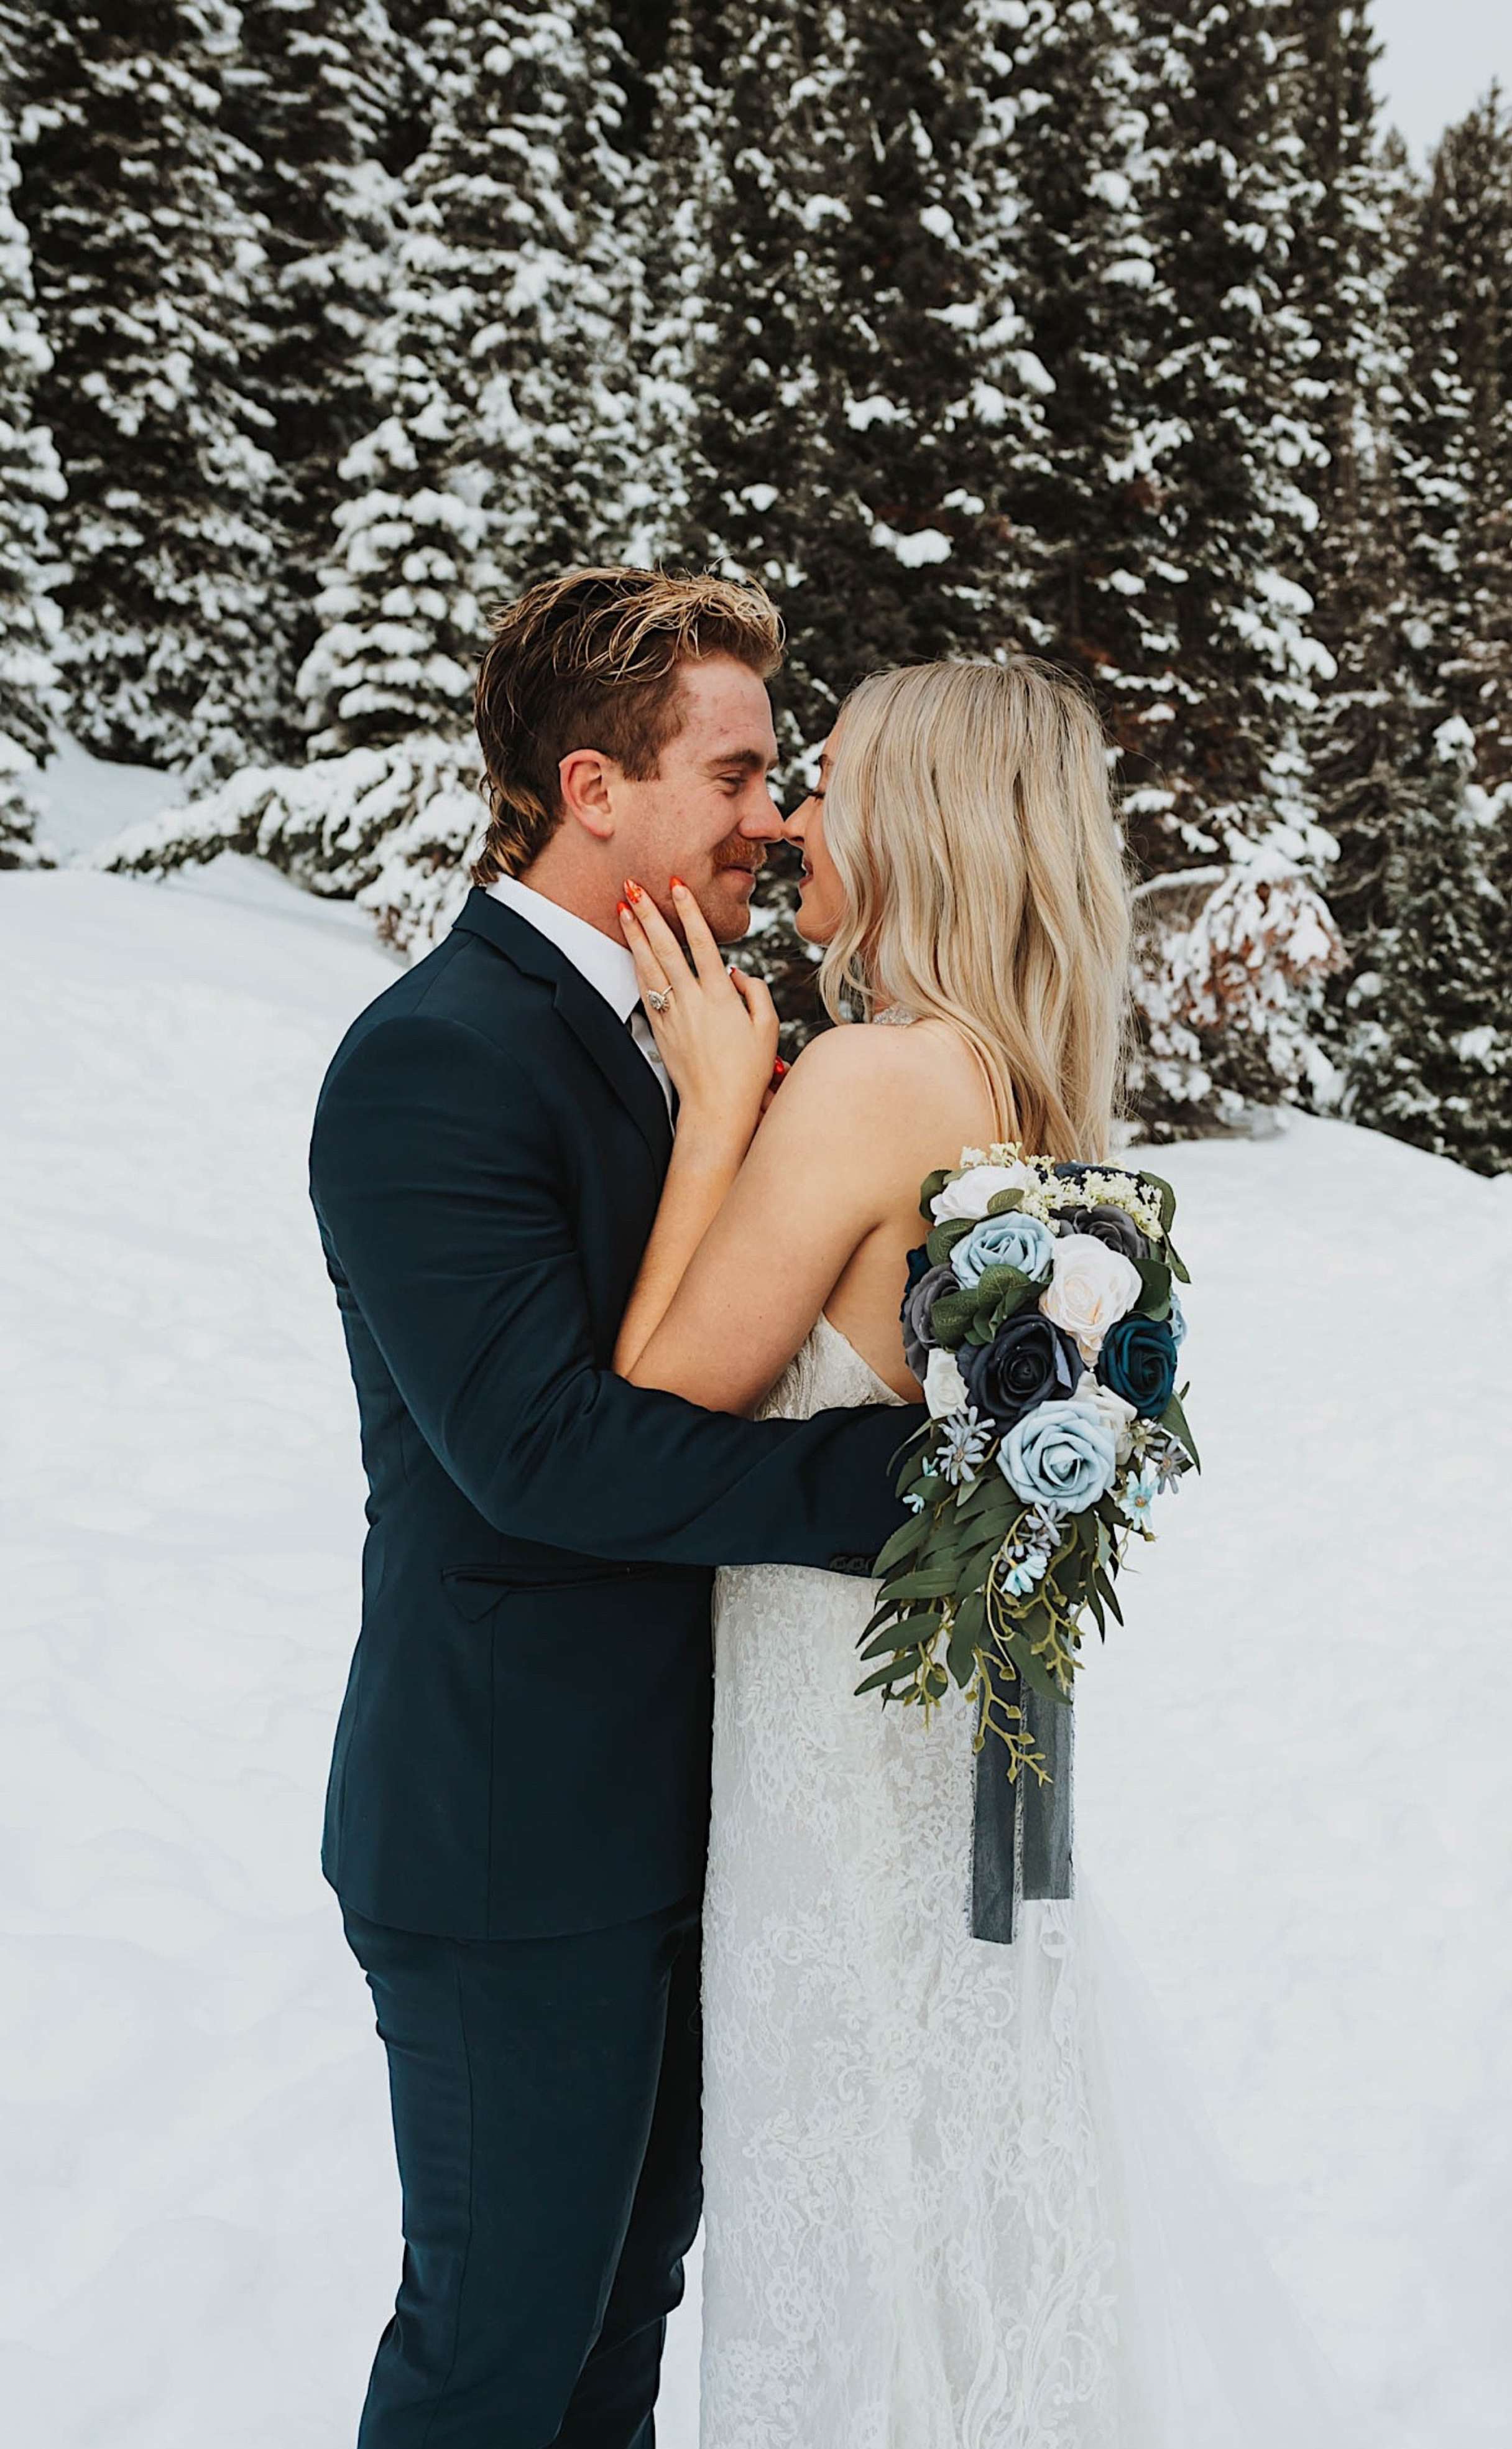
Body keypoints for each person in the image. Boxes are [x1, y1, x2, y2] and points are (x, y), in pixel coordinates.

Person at [613, 657, 1350, 2442]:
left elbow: (651, 1392)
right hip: (957, 1725)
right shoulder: (1019, 1089)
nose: (795, 815)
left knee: (845, 2185)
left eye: (835, 779)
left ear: (923, 821)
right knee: (957, 2158)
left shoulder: (868, 1078)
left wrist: (716, 1107)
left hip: (832, 1720)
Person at [308, 568, 911, 2443]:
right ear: (595, 788)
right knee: (497, 2346)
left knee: (616, 2327)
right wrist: (912, 1492)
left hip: (677, 1817)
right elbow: (542, 1456)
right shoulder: (435, 1063)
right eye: (733, 772)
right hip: (506, 1836)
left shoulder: (709, 1033)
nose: (771, 814)